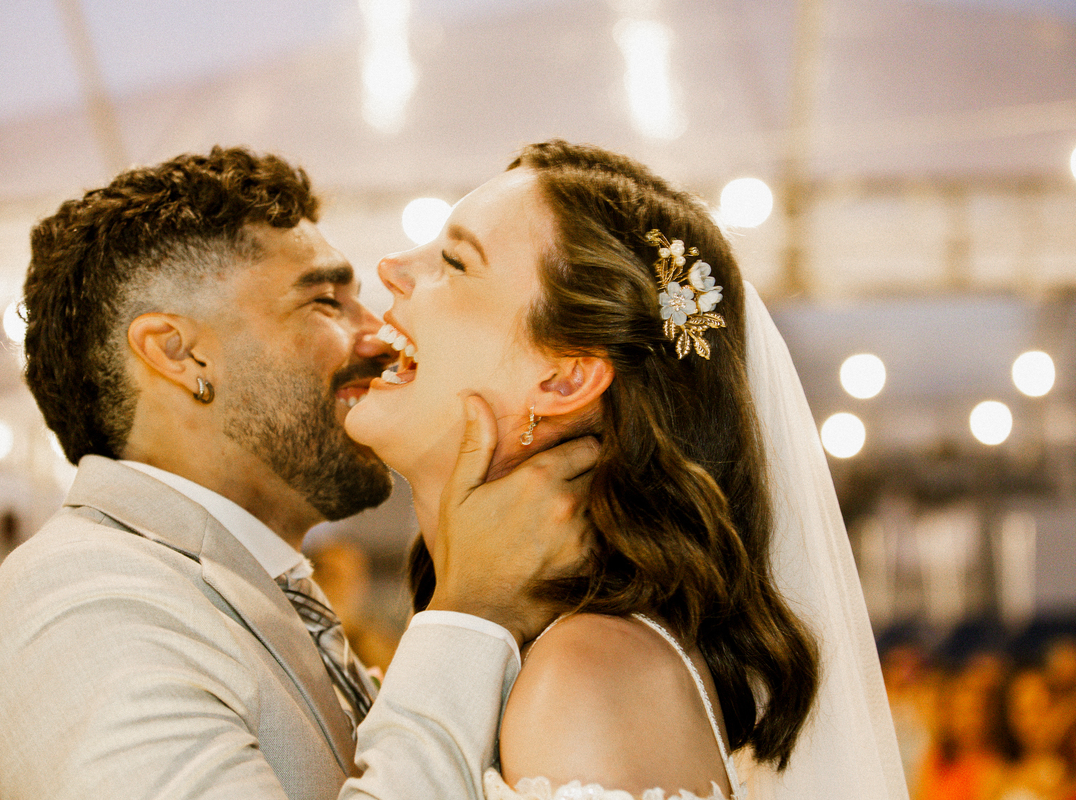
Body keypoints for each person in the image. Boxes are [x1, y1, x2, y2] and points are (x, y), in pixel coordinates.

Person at [0, 146, 598, 799]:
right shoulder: (83, 611)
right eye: (325, 301)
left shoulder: (235, 588)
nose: (379, 334)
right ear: (179, 353)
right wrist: (472, 608)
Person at [345, 140, 908, 799]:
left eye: (455, 262)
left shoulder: (585, 680)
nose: (391, 268)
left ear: (564, 379)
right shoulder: (556, 653)